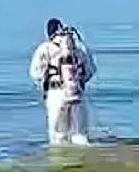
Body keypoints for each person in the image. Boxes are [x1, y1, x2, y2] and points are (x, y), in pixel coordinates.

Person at [29, 18, 97, 146]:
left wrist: (45, 87)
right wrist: (78, 82)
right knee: (80, 136)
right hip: (76, 93)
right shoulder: (79, 48)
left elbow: (36, 73)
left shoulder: (44, 48)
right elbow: (90, 71)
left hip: (55, 94)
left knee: (57, 137)